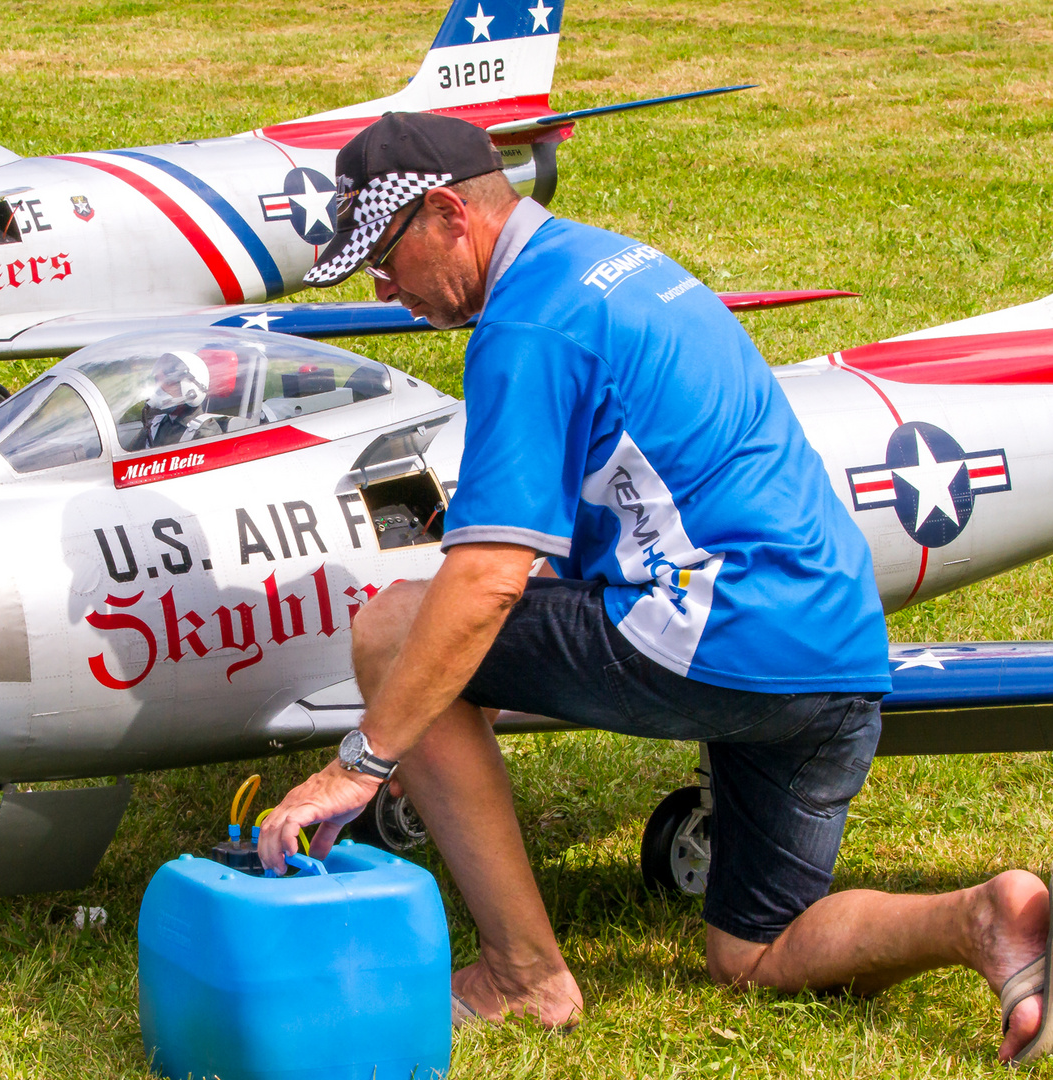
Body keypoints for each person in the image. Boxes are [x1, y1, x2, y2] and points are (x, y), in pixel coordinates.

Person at [258, 113, 1053, 1064]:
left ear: (445, 214)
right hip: (838, 652)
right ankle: (983, 919)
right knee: (751, 954)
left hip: (721, 633)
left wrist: (362, 763)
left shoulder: (527, 326)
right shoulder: (618, 263)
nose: (385, 290)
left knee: (396, 626)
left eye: (384, 257)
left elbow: (485, 584)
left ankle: (523, 977)